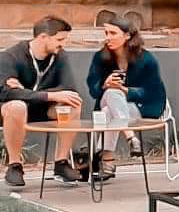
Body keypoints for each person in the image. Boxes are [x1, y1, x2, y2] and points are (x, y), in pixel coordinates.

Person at [1, 17, 86, 187]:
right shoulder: (11, 56)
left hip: (42, 109)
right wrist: (50, 95)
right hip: (12, 111)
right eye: (59, 39)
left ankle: (61, 163)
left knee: (73, 103)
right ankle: (15, 165)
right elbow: (4, 92)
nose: (63, 44)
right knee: (17, 105)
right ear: (43, 37)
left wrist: (26, 92)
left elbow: (69, 89)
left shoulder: (60, 56)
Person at [86, 16, 168, 178]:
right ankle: (131, 137)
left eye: (112, 33)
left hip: (141, 107)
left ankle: (106, 160)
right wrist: (104, 84)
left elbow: (153, 92)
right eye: (106, 33)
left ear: (127, 36)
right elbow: (93, 90)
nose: (107, 37)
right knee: (111, 93)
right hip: (111, 102)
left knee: (110, 110)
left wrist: (125, 90)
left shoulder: (146, 59)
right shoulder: (100, 57)